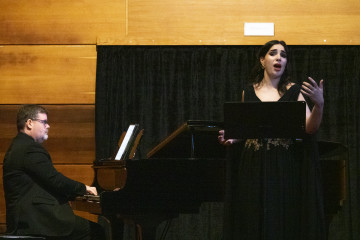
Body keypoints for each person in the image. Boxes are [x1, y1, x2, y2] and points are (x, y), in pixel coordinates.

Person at [219, 40, 326, 240]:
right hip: (252, 164)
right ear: (262, 60)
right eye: (273, 53)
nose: (279, 58)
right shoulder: (248, 92)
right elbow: (244, 131)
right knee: (251, 219)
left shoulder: (294, 91)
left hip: (283, 165)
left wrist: (319, 105)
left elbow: (310, 128)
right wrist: (232, 139)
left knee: (281, 220)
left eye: (283, 55)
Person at [2, 104, 105, 240]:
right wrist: (83, 188)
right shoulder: (29, 148)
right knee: (95, 231)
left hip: (26, 217)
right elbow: (55, 180)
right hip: (35, 219)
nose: (48, 126)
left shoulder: (19, 146)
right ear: (29, 123)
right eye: (44, 122)